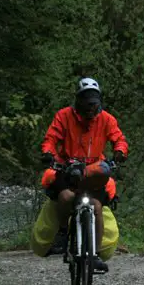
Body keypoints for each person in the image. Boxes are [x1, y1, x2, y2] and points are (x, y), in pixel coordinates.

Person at [38, 77, 128, 270]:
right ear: (78, 101)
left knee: (96, 207)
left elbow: (119, 139)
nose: (90, 109)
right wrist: (48, 154)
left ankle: (94, 254)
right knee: (66, 196)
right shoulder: (64, 116)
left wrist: (120, 152)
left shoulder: (106, 119)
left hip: (94, 172)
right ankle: (62, 233)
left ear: (99, 103)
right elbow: (51, 139)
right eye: (87, 105)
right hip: (67, 169)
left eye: (93, 105)